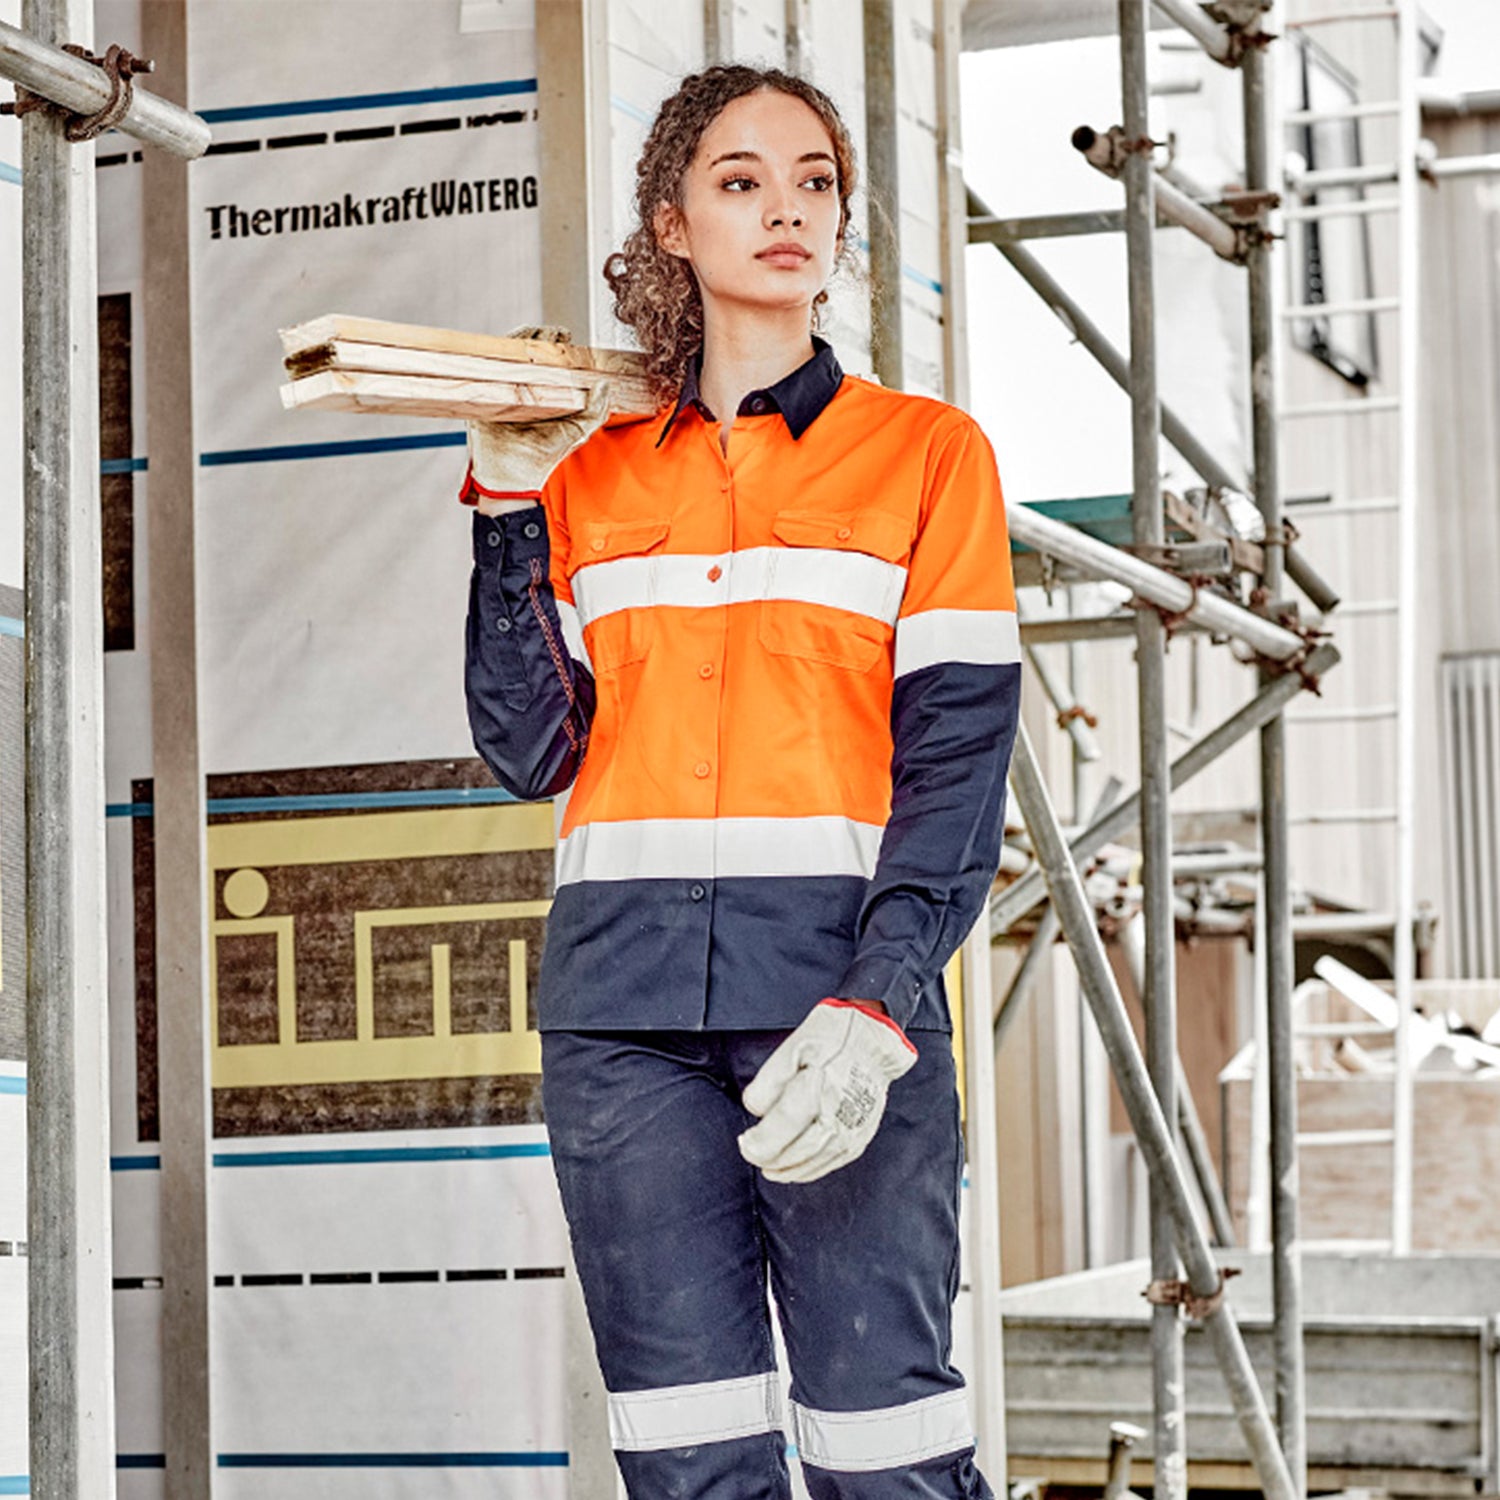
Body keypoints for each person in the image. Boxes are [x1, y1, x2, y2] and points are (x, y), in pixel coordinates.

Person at [460, 61, 1020, 1500]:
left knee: (883, 1440)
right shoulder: (593, 479)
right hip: (619, 1026)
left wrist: (882, 1005)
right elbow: (532, 750)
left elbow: (959, 763)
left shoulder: (926, 457)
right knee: (685, 1449)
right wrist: (510, 513)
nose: (788, 208)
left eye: (816, 179)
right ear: (672, 224)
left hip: (833, 999)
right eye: (742, 178)